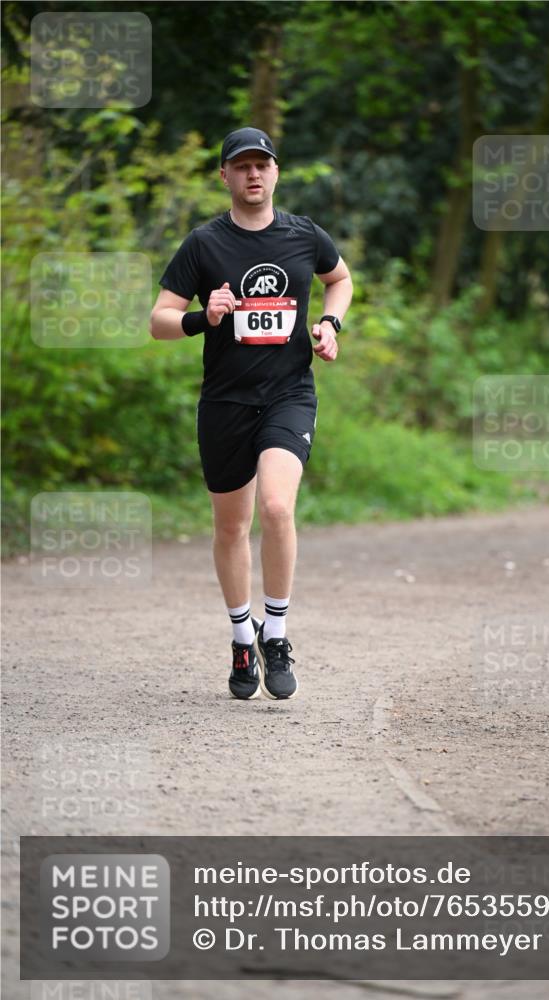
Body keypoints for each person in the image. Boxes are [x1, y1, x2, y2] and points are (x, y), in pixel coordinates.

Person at [150, 126, 353, 701]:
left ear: (276, 172)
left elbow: (340, 280)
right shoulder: (203, 245)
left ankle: (278, 635)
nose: (254, 174)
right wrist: (202, 317)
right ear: (226, 176)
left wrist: (331, 324)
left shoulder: (304, 235)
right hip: (225, 403)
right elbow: (159, 320)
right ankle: (243, 637)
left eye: (263, 164)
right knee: (231, 526)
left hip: (289, 394)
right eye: (242, 166)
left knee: (276, 508)